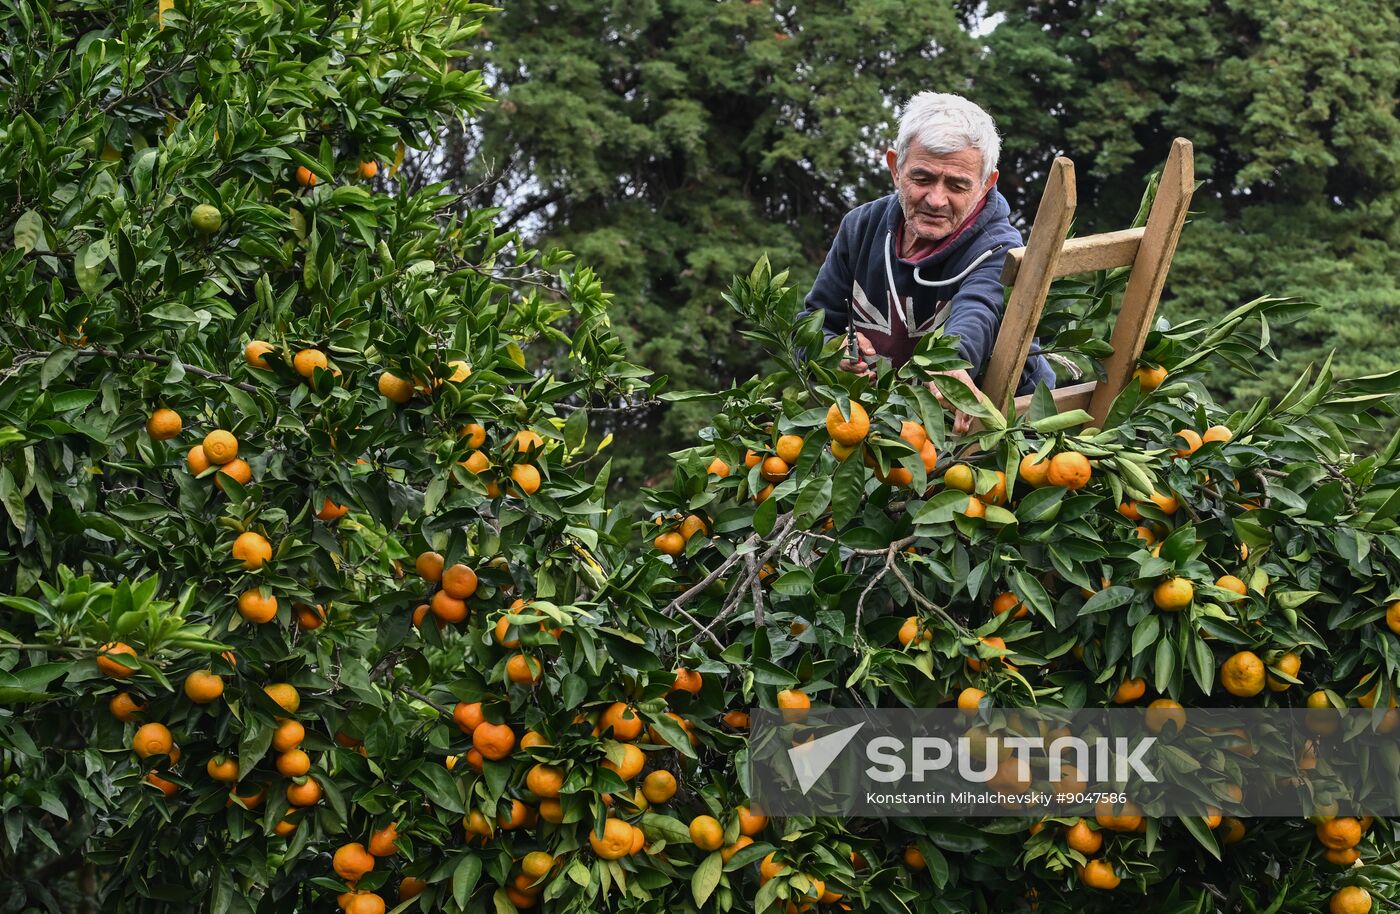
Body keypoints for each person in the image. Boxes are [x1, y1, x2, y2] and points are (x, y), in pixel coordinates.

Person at [803, 92, 1056, 434]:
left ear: (985, 185)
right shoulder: (860, 228)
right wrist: (833, 350)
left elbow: (980, 307)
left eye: (957, 185)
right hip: (887, 431)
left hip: (996, 432)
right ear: (895, 168)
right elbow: (813, 322)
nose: (936, 200)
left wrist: (949, 362)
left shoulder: (998, 248)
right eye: (922, 179)